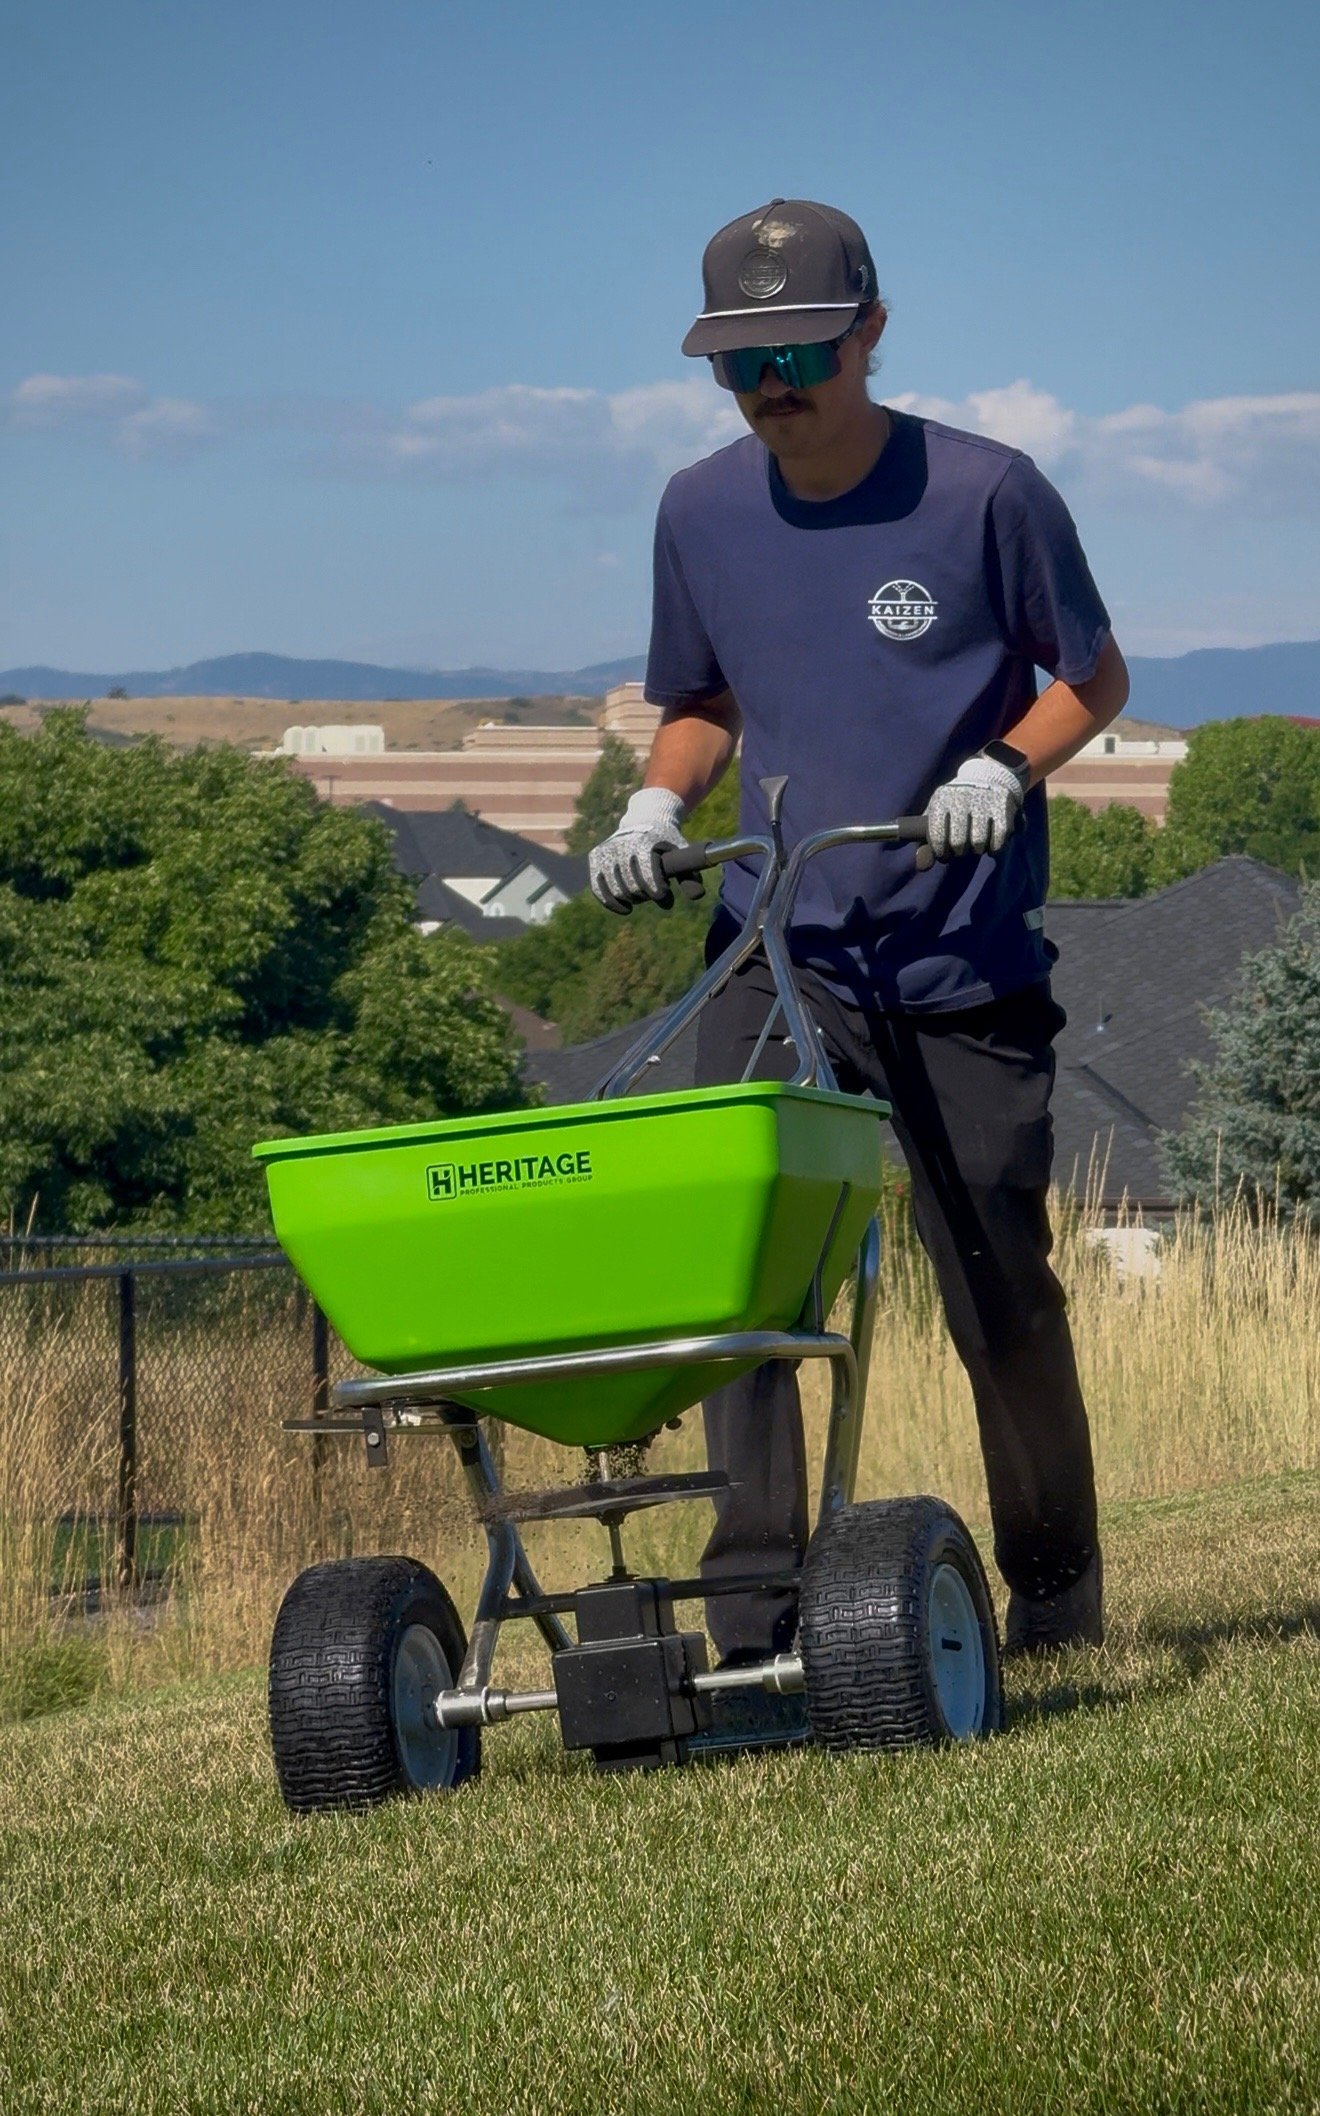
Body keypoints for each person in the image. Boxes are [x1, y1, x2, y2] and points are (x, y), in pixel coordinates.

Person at [589, 198, 1128, 1719]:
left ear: (871, 332)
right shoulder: (699, 510)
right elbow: (701, 700)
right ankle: (756, 1621)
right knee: (747, 1285)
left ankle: (1056, 1584)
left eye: (800, 354)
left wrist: (1002, 768)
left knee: (993, 1284)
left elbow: (1093, 677)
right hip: (778, 945)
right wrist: (652, 801)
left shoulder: (987, 493)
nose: (773, 388)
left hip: (957, 953)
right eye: (740, 363)